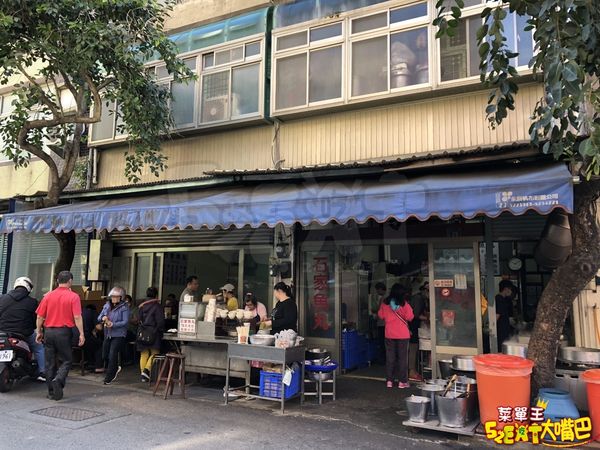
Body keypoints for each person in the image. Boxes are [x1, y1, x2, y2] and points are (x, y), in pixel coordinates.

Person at [35, 271, 85, 401]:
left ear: (57, 281)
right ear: (70, 281)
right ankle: (59, 379)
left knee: (49, 362)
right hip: (64, 332)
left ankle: (51, 392)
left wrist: (39, 331)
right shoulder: (74, 297)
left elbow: (40, 316)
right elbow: (77, 317)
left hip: (49, 332)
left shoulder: (48, 296)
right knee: (67, 360)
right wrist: (81, 333)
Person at [0, 276, 45, 381]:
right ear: (28, 288)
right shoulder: (32, 302)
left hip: (2, 332)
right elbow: (34, 320)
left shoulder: (2, 298)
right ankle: (43, 372)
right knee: (39, 347)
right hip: (23, 333)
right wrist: (36, 329)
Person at [378, 283, 414, 389]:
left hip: (389, 334)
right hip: (402, 335)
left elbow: (381, 315)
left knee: (390, 358)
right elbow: (410, 317)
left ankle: (389, 381)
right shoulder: (404, 304)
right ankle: (402, 382)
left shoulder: (385, 303)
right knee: (402, 359)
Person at [98, 286, 130, 385]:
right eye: (112, 297)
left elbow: (125, 321)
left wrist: (113, 324)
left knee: (113, 354)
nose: (114, 299)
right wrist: (103, 318)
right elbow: (99, 317)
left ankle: (109, 376)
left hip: (119, 334)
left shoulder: (124, 307)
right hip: (108, 334)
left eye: (116, 297)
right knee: (105, 354)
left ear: (121, 297)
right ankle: (115, 367)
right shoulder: (107, 305)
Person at [138, 287, 165, 383]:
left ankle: (143, 375)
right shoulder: (157, 306)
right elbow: (160, 322)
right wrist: (160, 330)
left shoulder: (142, 305)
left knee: (144, 353)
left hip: (142, 331)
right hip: (154, 332)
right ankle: (146, 370)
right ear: (156, 295)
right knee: (155, 353)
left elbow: (139, 319)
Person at [408, 282, 429, 381]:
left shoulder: (423, 299)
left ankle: (413, 370)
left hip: (416, 325)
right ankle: (411, 371)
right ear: (424, 290)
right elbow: (415, 314)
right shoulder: (418, 299)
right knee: (413, 347)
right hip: (413, 326)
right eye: (428, 290)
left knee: (415, 348)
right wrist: (427, 318)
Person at [82, 304, 104, 373]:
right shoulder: (93, 313)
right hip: (85, 338)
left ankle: (90, 363)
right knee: (99, 345)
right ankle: (98, 367)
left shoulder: (80, 312)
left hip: (73, 339)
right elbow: (99, 327)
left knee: (91, 344)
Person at [496, 280, 515, 349]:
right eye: (511, 289)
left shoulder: (505, 299)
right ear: (506, 289)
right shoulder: (499, 299)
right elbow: (497, 315)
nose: (511, 292)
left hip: (504, 330)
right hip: (501, 331)